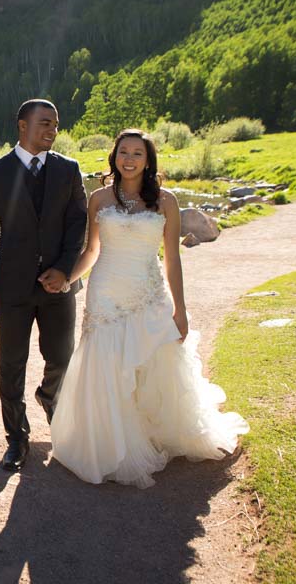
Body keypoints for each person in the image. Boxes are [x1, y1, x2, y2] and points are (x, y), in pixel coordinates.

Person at [49, 128, 249, 488]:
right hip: (106, 291)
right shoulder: (98, 198)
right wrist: (67, 279)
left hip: (148, 292)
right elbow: (91, 252)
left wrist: (181, 310)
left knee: (155, 364)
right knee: (106, 364)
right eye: (123, 152)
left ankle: (154, 433)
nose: (129, 159)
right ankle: (110, 442)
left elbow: (172, 259)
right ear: (114, 157)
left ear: (148, 159)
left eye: (137, 153)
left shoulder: (166, 201)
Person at [0, 98, 88, 472]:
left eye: (55, 124)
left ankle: (48, 396)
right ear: (22, 125)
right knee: (11, 365)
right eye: (44, 123)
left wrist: (65, 270)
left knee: (62, 358)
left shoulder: (69, 170)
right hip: (12, 287)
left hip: (57, 285)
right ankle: (17, 439)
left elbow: (77, 225)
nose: (52, 130)